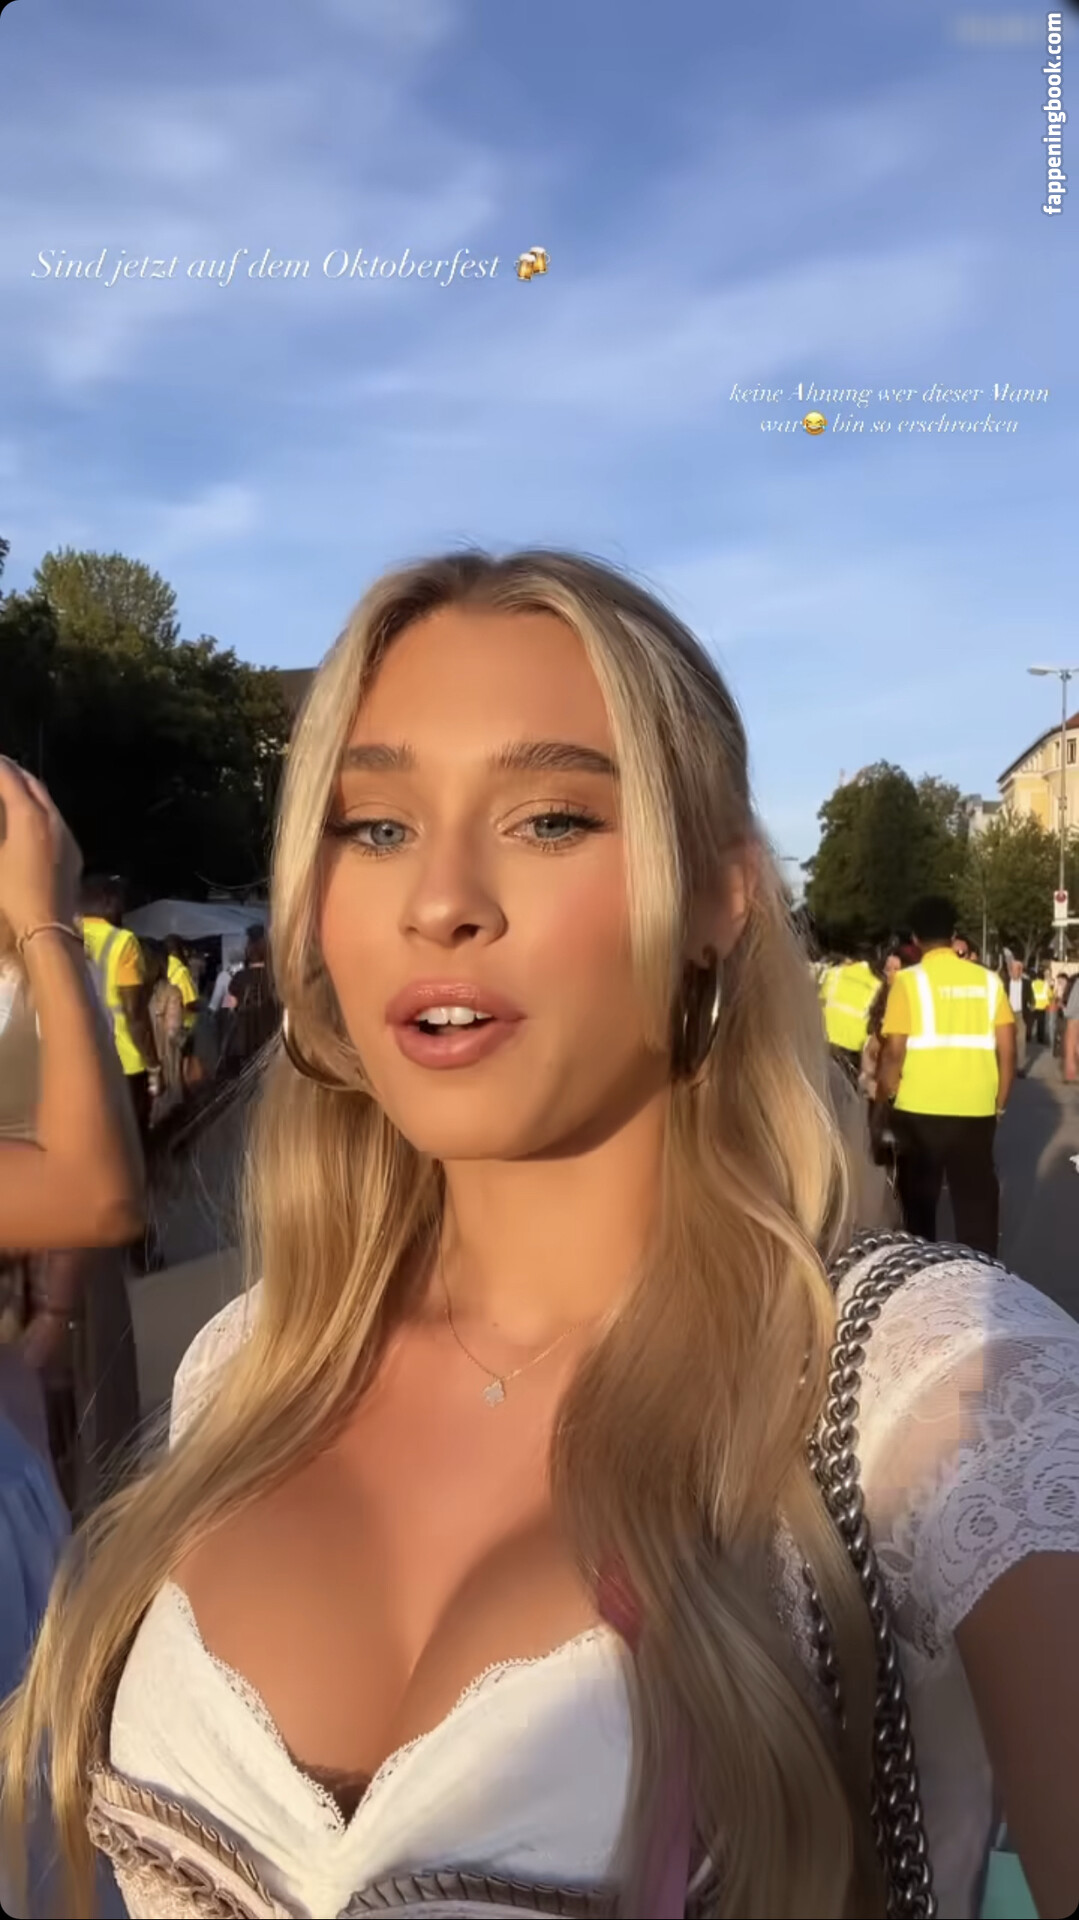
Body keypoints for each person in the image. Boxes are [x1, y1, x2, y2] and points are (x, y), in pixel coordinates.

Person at [1, 552, 1077, 1920]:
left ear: (720, 898)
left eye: (550, 819)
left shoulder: (935, 1394)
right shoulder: (249, 1362)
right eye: (373, 826)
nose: (438, 898)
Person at [875, 895, 1016, 1257]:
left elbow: (893, 1053)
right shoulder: (988, 982)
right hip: (975, 1110)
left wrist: (881, 1102)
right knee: (976, 1207)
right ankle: (979, 1275)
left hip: (918, 1113)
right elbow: (1008, 1051)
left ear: (915, 939)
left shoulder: (908, 982)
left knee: (918, 1210)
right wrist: (998, 1105)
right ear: (954, 935)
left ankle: (921, 1274)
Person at [78, 876, 161, 1142]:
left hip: (72, 1057)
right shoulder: (122, 942)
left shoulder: (60, 937)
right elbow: (134, 1013)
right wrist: (153, 1065)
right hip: (122, 1060)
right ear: (108, 903)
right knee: (130, 1142)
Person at [217, 923, 279, 1078]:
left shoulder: (238, 979)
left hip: (245, 1049)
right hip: (271, 1046)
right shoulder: (275, 978)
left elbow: (226, 1011)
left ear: (248, 949)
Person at [818, 946, 879, 1084]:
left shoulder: (834, 973)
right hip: (853, 1049)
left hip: (824, 1039)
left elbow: (819, 1001)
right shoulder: (877, 984)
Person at [144, 942, 186, 1123]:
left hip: (139, 1063)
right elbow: (173, 1032)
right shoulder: (171, 992)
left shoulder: (134, 992)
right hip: (164, 1062)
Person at [1001, 955, 1034, 1078]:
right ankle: (1006, 1066)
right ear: (1010, 970)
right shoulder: (1005, 983)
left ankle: (1020, 1068)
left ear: (1021, 971)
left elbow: (1030, 998)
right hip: (1007, 1014)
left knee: (1021, 1041)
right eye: (1013, 969)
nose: (1016, 972)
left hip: (1020, 1014)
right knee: (1006, 1041)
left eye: (1018, 969)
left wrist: (1031, 1007)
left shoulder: (1026, 983)